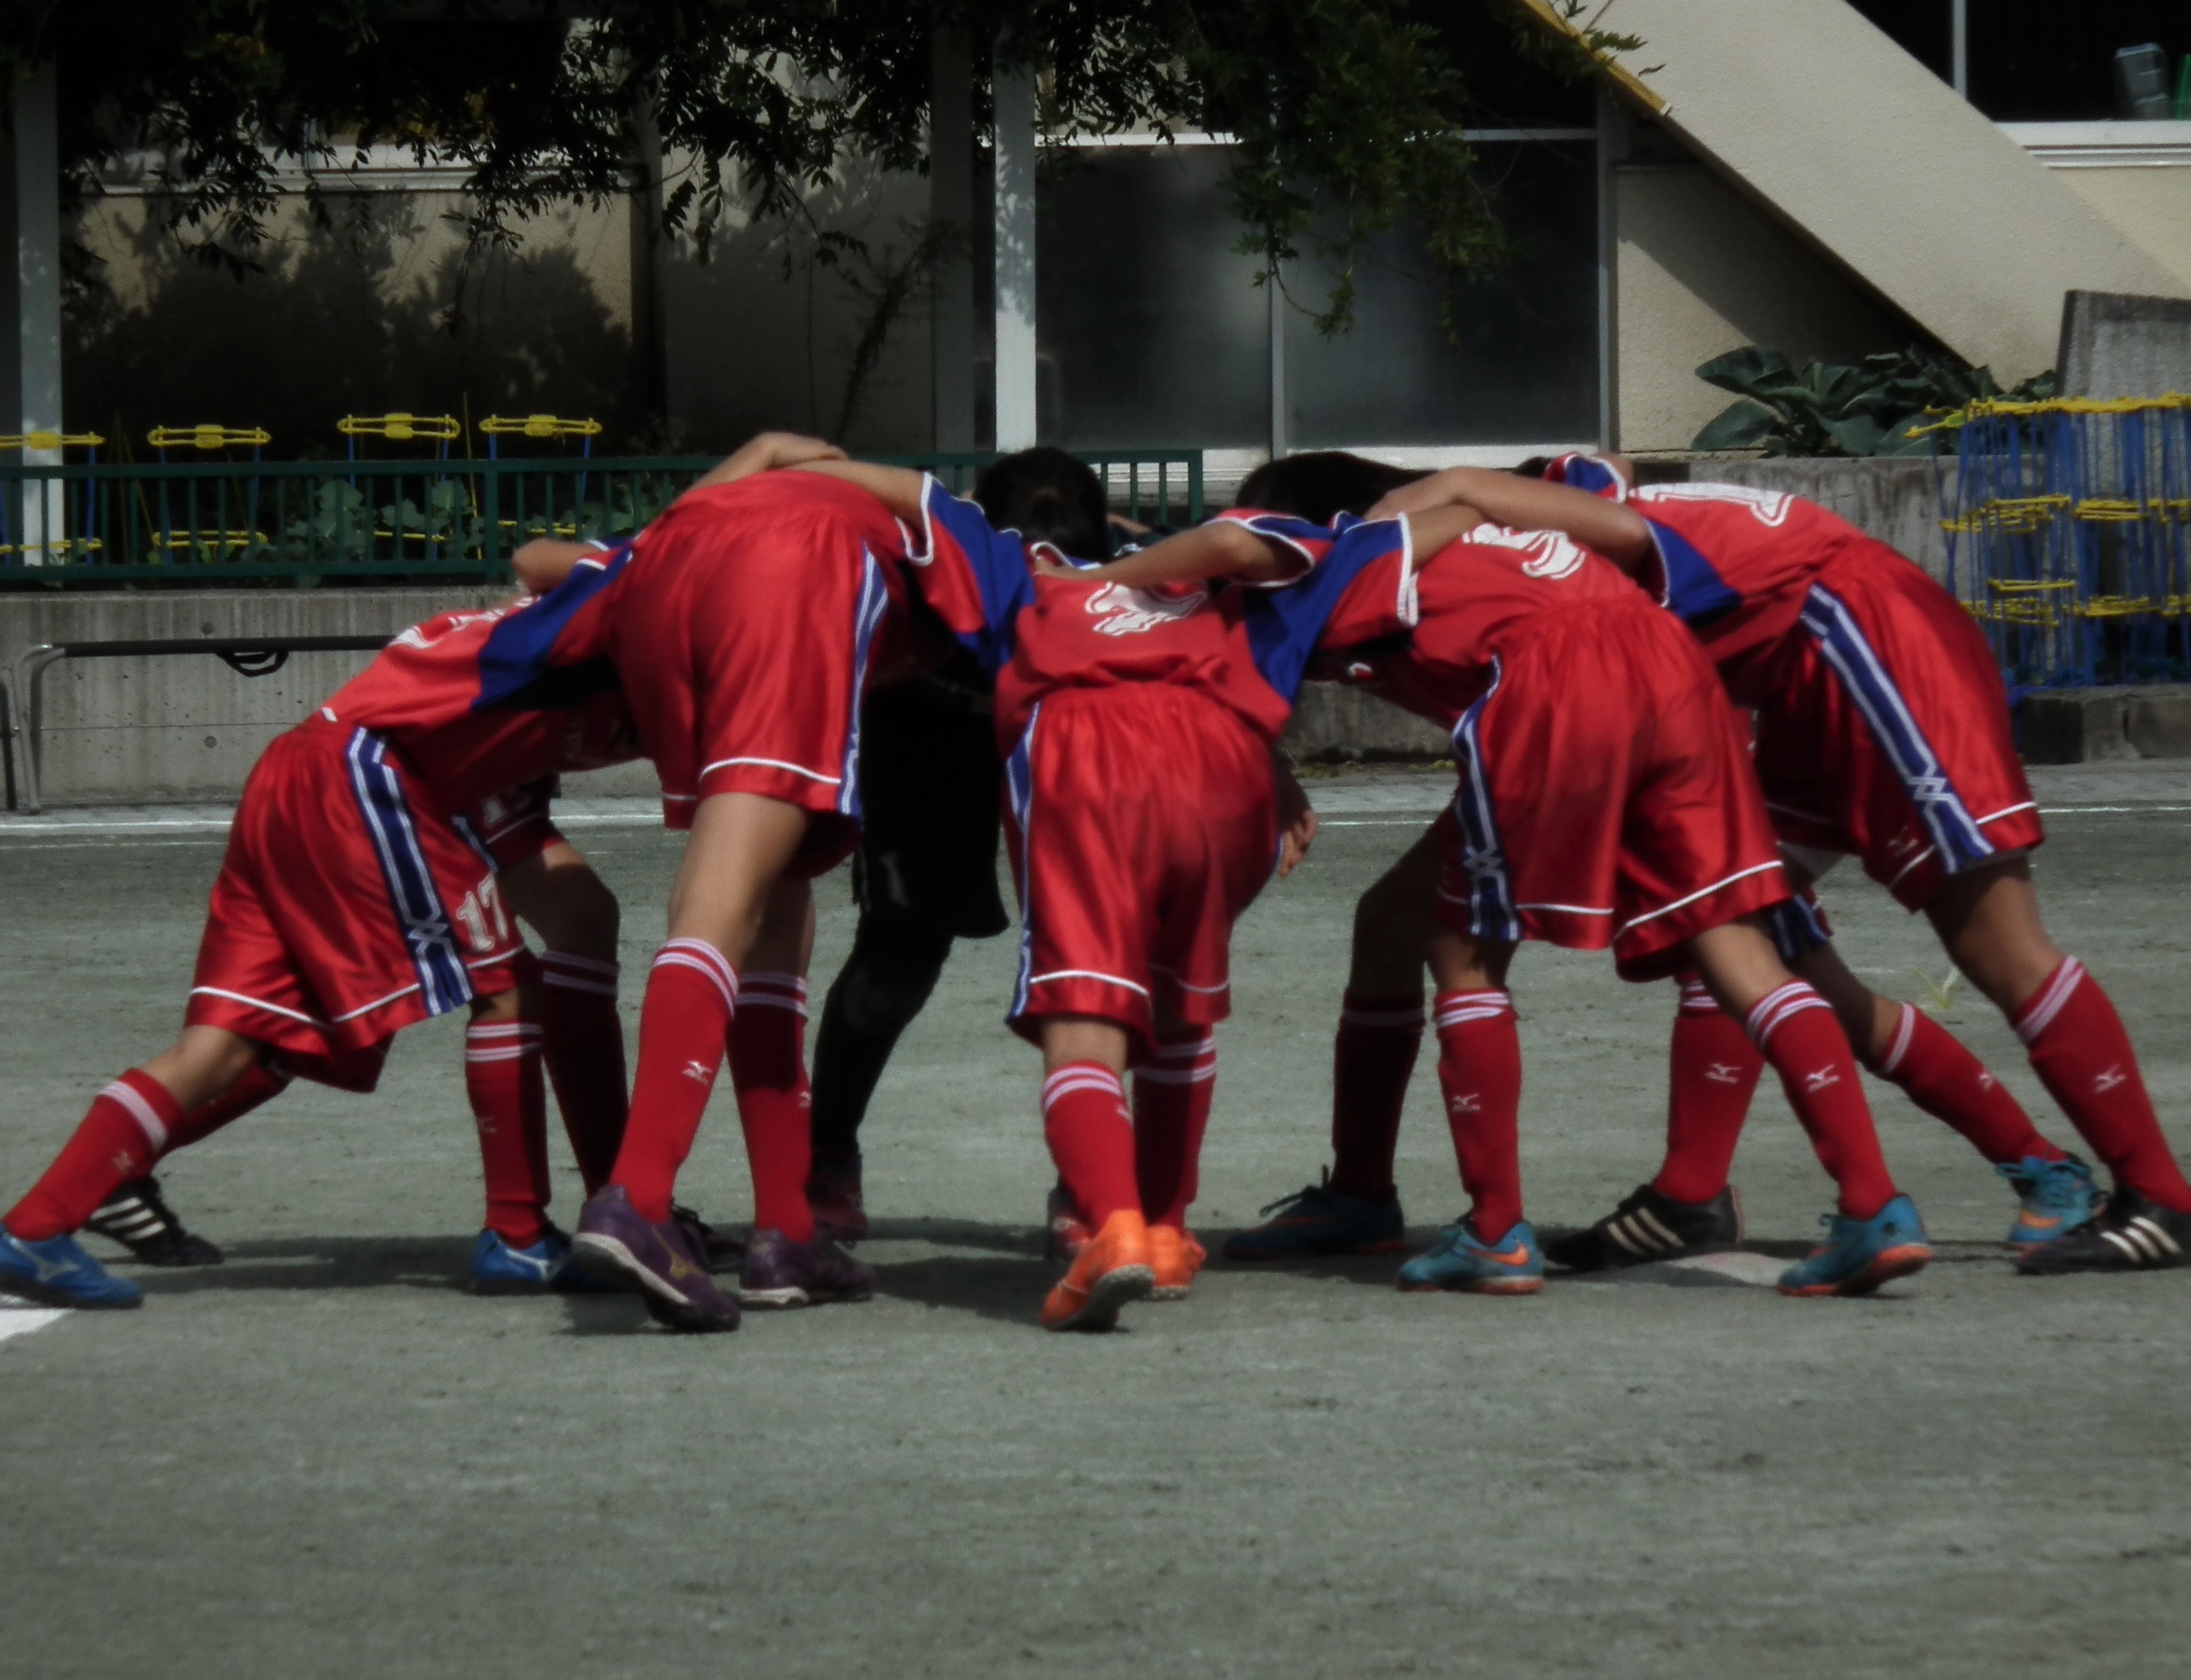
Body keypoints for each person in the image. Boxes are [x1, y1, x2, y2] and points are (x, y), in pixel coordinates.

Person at [1077, 463, 1936, 1298]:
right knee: (1737, 947)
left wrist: (1093, 581)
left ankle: (1493, 1233)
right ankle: (1871, 1205)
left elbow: (1234, 544)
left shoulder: (1322, 544)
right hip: (1670, 664)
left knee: (1460, 949)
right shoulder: (1472, 535)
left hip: (1554, 674)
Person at [1380, 454, 2185, 1276]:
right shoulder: (1522, 541)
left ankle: (2156, 1198)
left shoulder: (1502, 526)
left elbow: (1571, 495)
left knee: (1993, 942)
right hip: (1790, 681)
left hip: (1860, 638)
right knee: (1741, 936)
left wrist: (1430, 495)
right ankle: (1693, 1192)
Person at [782, 453, 1427, 1327]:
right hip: (1188, 754)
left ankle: (1103, 1213)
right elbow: (1298, 559)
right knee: (1170, 1004)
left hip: (1079, 743)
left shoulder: (1012, 565)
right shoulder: (1189, 568)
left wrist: (782, 461)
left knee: (1080, 1008)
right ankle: (1158, 1226)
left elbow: (903, 494)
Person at [0, 593, 646, 1311]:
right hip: (368, 774)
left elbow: (504, 772)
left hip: (306, 766)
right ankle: (521, 1235)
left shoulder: (582, 621)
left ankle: (41, 1221)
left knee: (238, 1045)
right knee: (506, 989)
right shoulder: (631, 625)